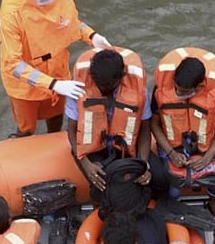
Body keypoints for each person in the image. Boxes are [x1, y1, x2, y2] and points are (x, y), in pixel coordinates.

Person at [0, 0, 113, 137]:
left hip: (58, 72)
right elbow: (13, 64)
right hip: (26, 86)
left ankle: (54, 139)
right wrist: (52, 84)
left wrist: (91, 36)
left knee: (57, 117)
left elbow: (69, 23)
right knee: (26, 128)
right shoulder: (12, 14)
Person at [66, 47, 154, 206]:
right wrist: (86, 165)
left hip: (125, 146)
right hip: (92, 148)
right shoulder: (78, 89)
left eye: (109, 88)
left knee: (158, 179)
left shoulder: (138, 91)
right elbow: (71, 129)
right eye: (100, 87)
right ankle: (99, 206)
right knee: (102, 188)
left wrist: (144, 164)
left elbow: (145, 129)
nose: (104, 92)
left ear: (122, 78)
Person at [150, 47, 215, 217]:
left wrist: (207, 158)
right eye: (176, 88)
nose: (178, 94)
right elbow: (154, 125)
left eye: (183, 92)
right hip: (172, 145)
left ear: (199, 86)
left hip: (202, 146)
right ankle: (175, 207)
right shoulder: (161, 90)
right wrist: (171, 153)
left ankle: (213, 202)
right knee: (173, 188)